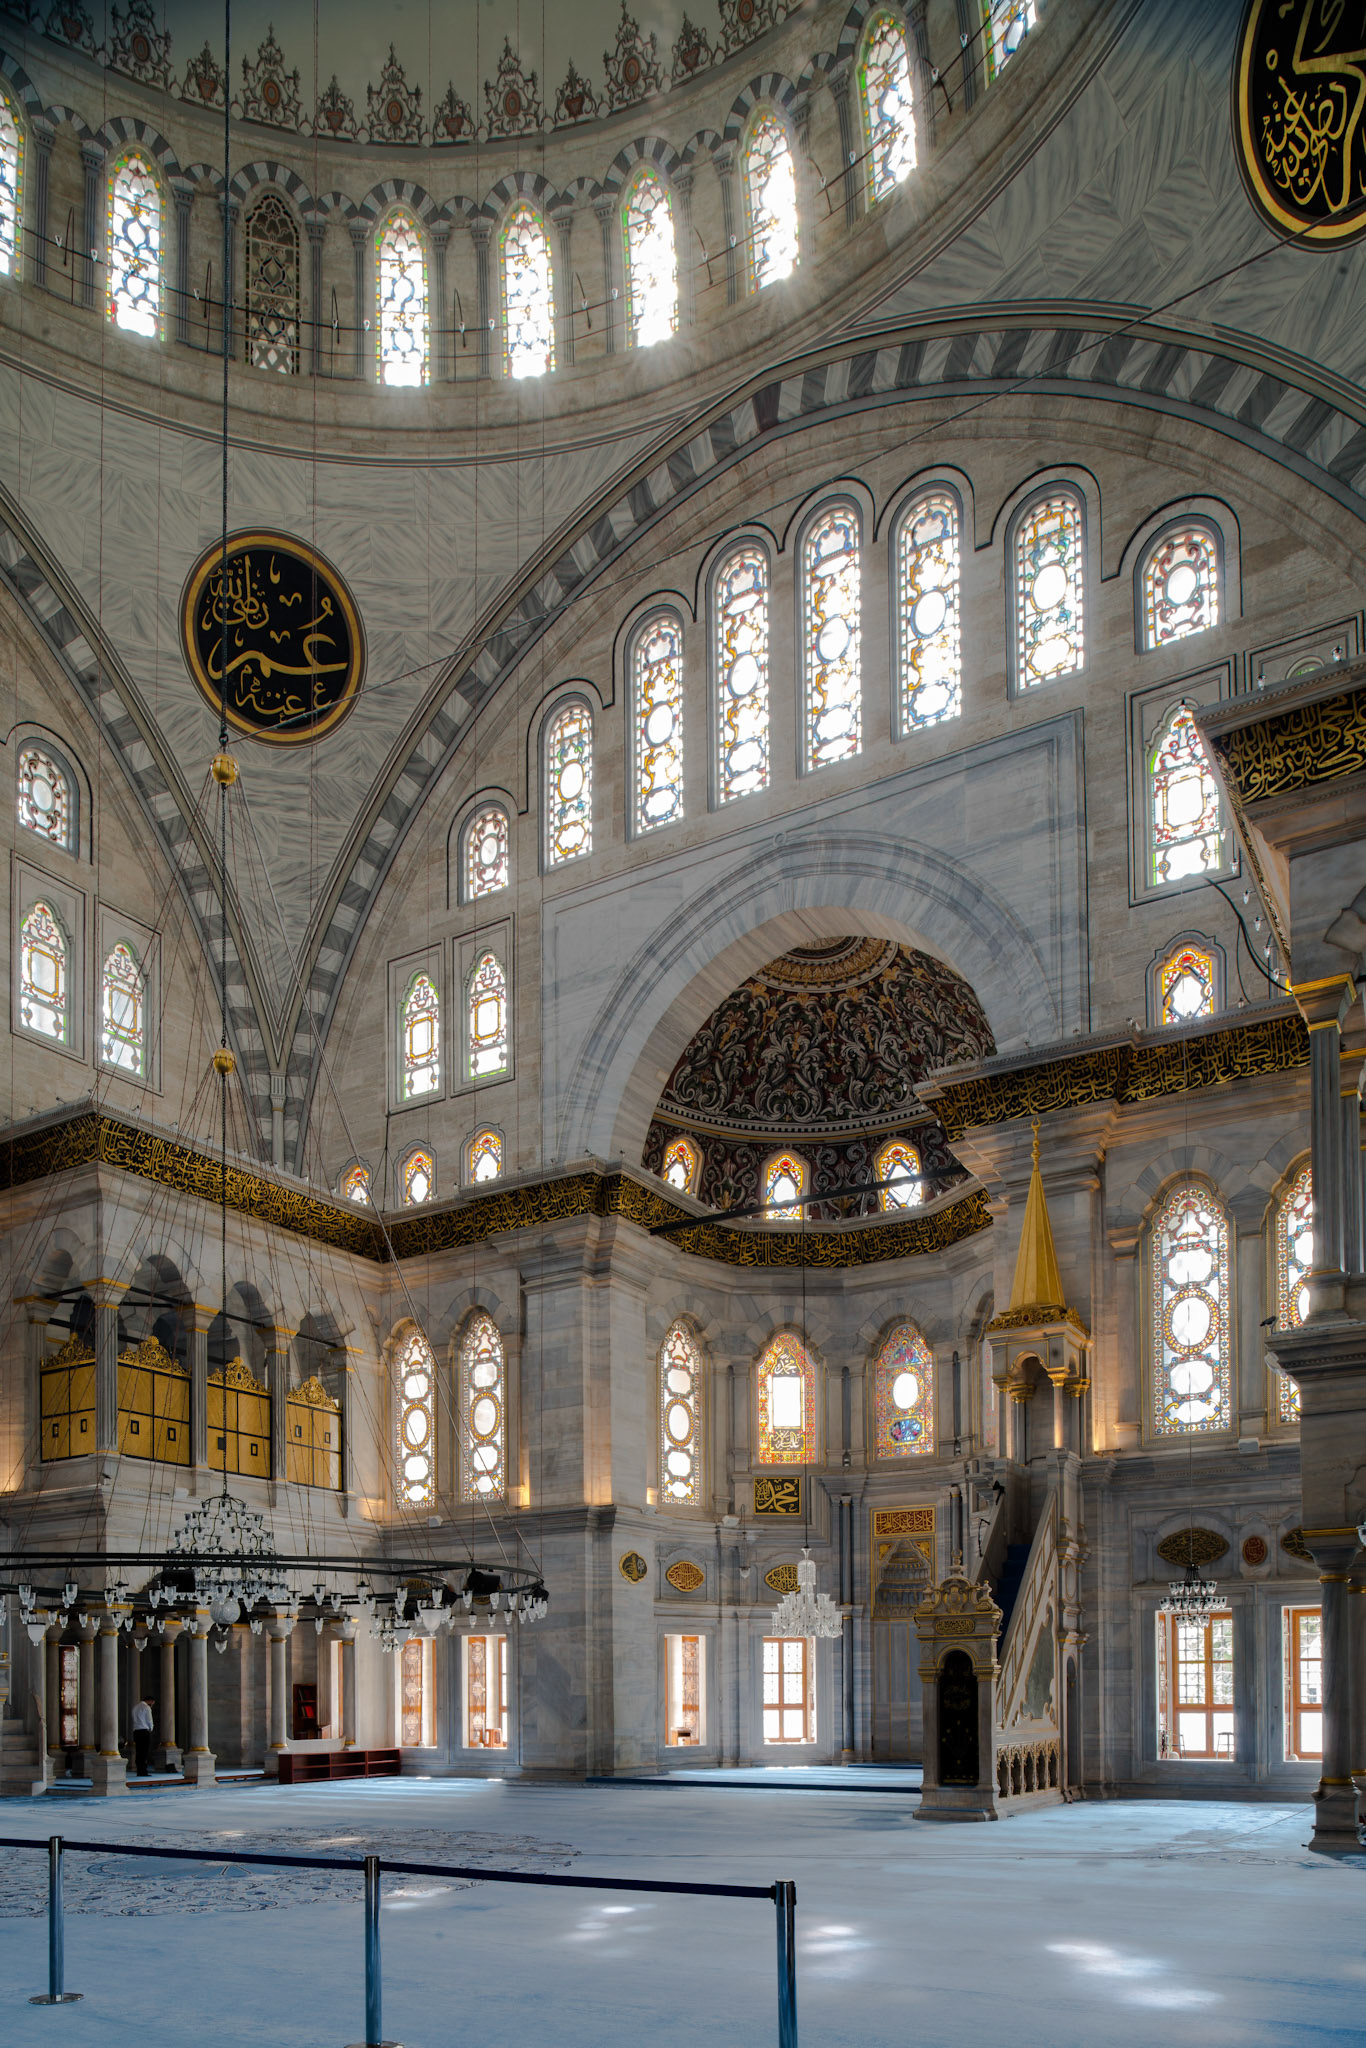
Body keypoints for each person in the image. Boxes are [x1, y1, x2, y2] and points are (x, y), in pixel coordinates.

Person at [131, 1696, 154, 1777]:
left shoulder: (135, 1707)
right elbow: (149, 1720)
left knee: (138, 1752)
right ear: (150, 1701)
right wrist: (151, 1728)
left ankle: (139, 1770)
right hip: (144, 1731)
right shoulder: (146, 1707)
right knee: (144, 1752)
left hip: (136, 1731)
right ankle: (143, 1771)